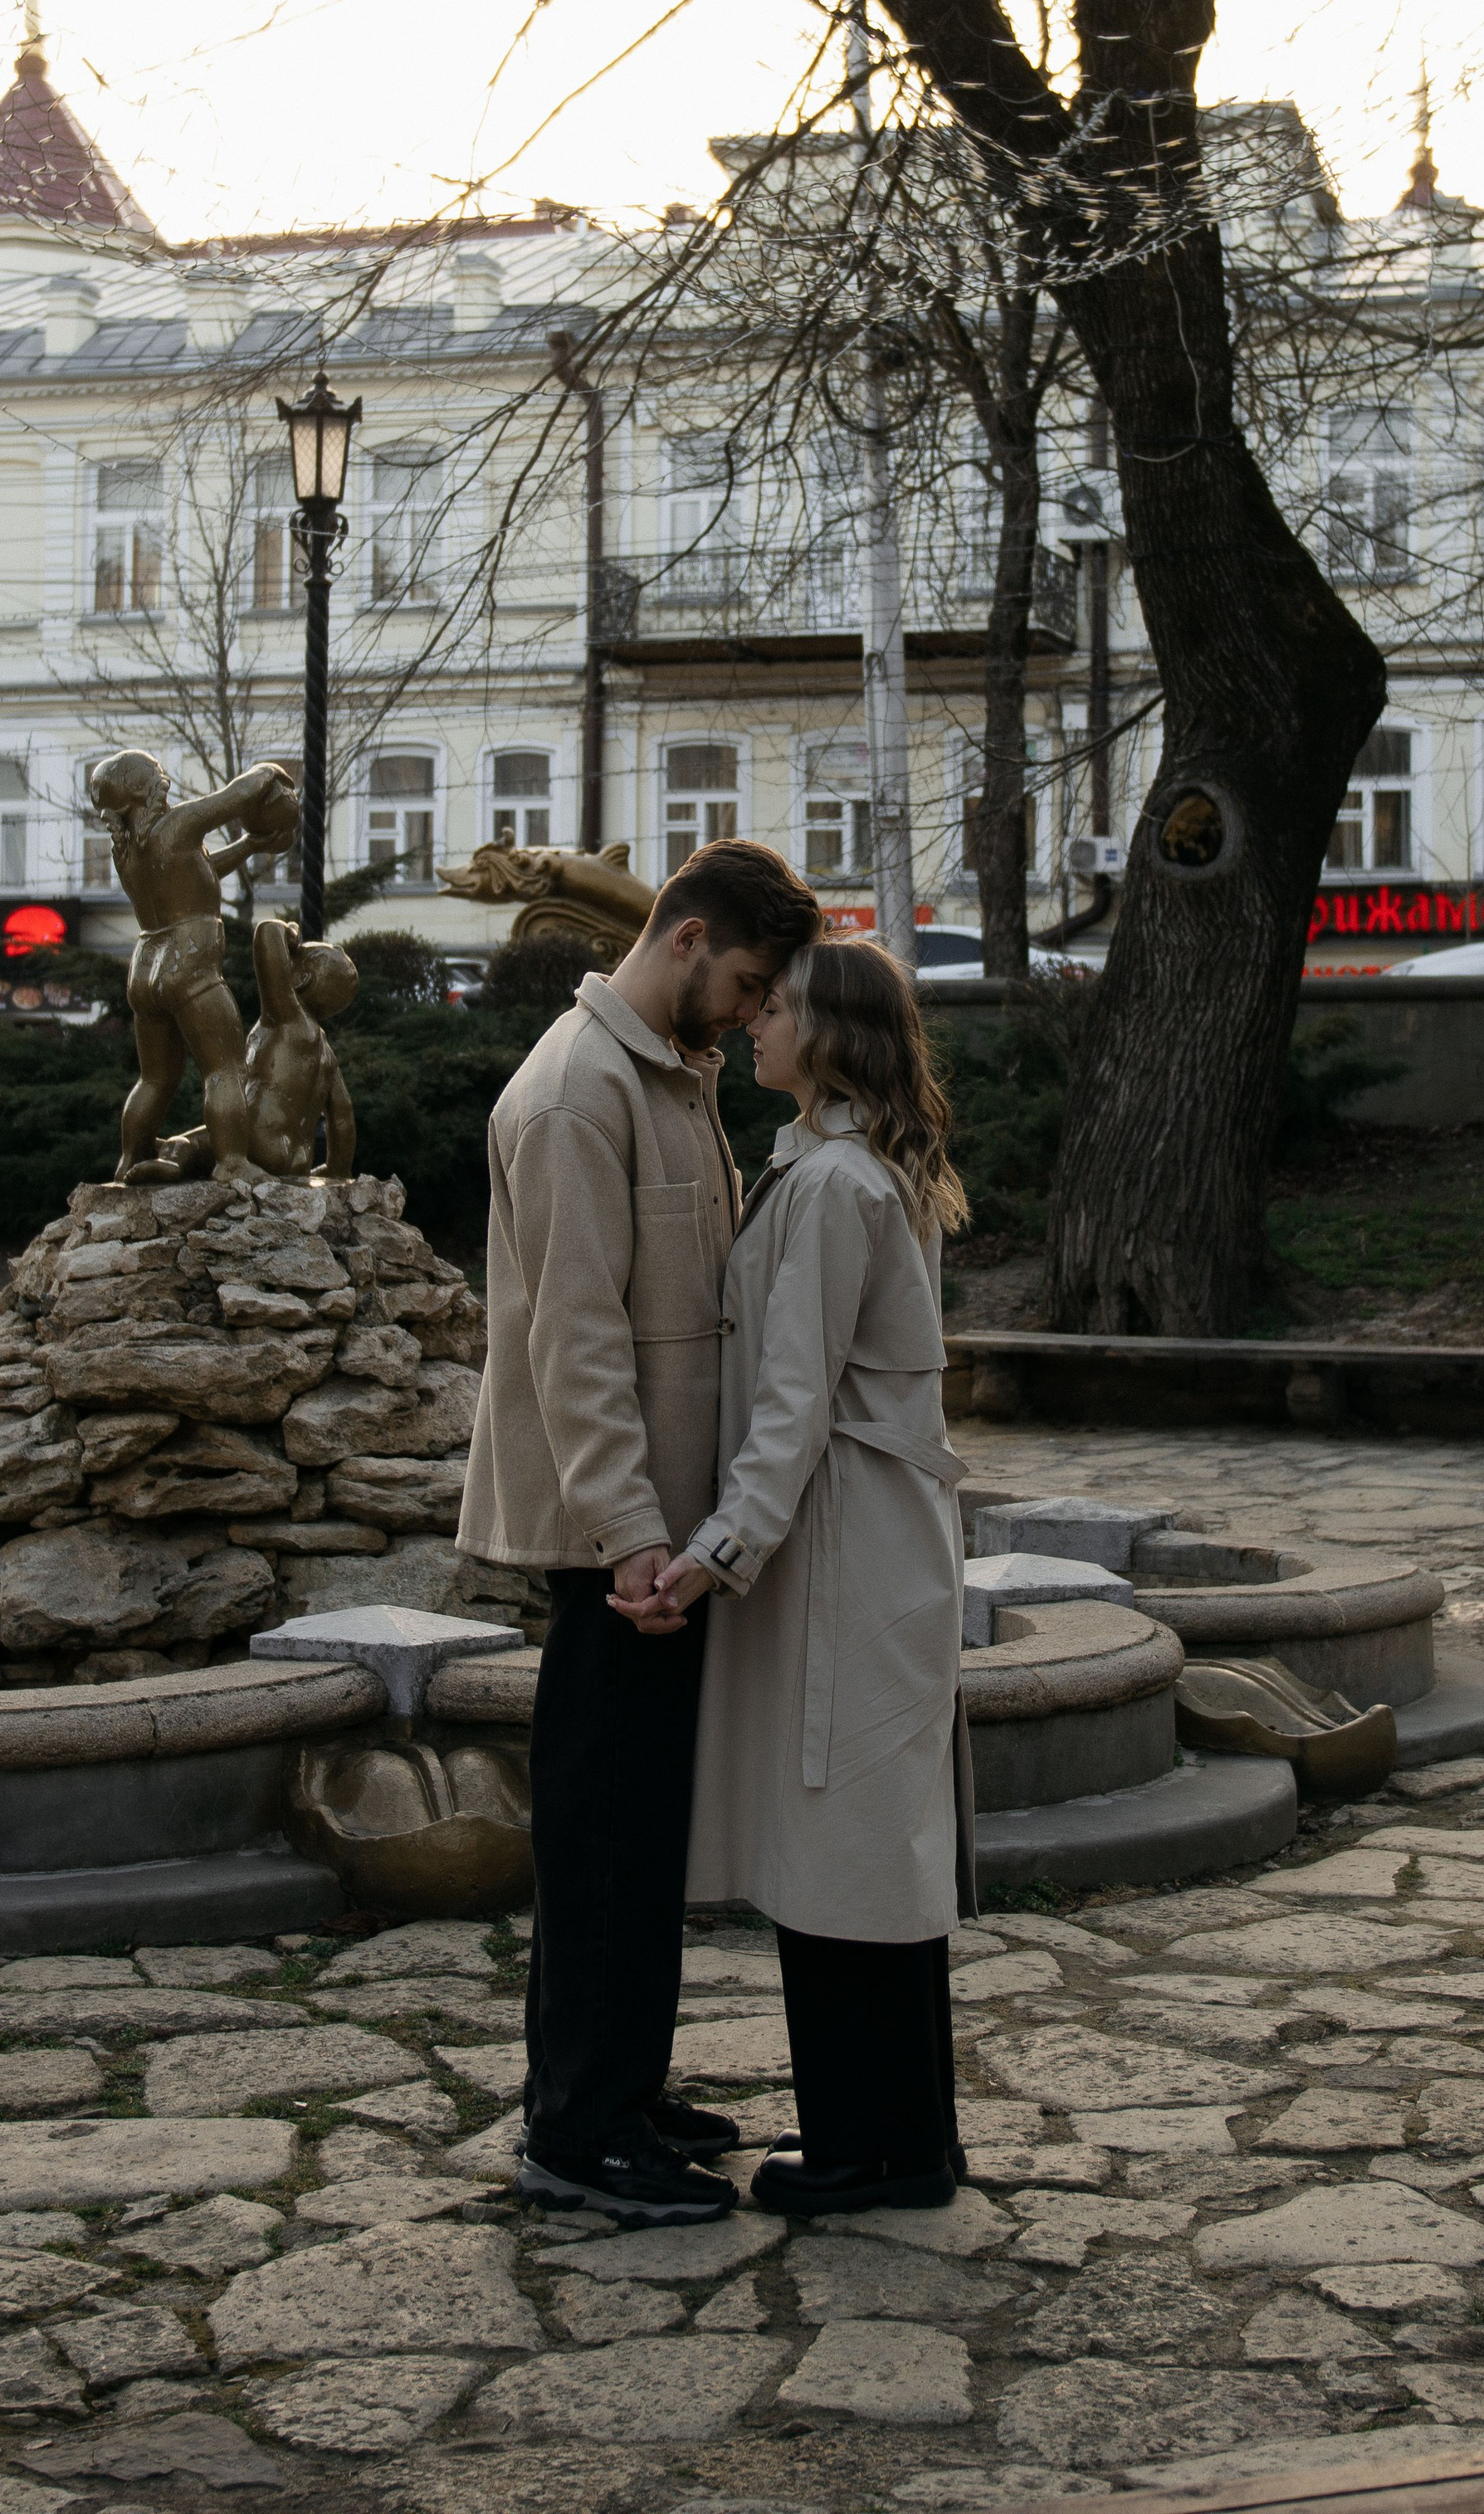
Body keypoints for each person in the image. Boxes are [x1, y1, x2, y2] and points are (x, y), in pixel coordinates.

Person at [459, 837, 824, 2225]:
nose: (747, 1013)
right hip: (622, 1553)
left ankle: (618, 2087)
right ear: (685, 940)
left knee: (635, 1834)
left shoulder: (665, 1077)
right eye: (742, 982)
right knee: (606, 1841)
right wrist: (623, 1538)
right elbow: (575, 1341)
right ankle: (578, 2132)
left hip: (665, 1542)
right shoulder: (574, 1095)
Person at [622, 935, 973, 2214]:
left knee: (846, 1847)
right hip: (857, 1539)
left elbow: (794, 1406)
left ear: (828, 1038)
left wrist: (715, 1556)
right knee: (865, 1846)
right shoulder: (836, 1169)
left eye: (776, 1009)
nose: (753, 1022)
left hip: (845, 1550)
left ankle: (873, 2154)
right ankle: (905, 2138)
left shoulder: (832, 1186)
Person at [87, 749, 299, 1182]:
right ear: (144, 788)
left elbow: (196, 871)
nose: (164, 778)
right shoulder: (178, 825)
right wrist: (270, 773)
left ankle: (131, 1159)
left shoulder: (126, 850)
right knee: (224, 1068)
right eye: (158, 773)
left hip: (146, 969)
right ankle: (232, 1161)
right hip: (190, 965)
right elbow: (237, 796)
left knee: (155, 1080)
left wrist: (251, 845)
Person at [152, 918, 358, 1181]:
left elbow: (267, 932)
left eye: (296, 956)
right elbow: (343, 1117)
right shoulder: (325, 1052)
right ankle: (170, 1151)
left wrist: (289, 933)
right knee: (202, 1141)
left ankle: (173, 1158)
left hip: (258, 1142)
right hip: (297, 1160)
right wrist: (338, 1168)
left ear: (300, 979)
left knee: (187, 1143)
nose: (288, 959)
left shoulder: (289, 1020)